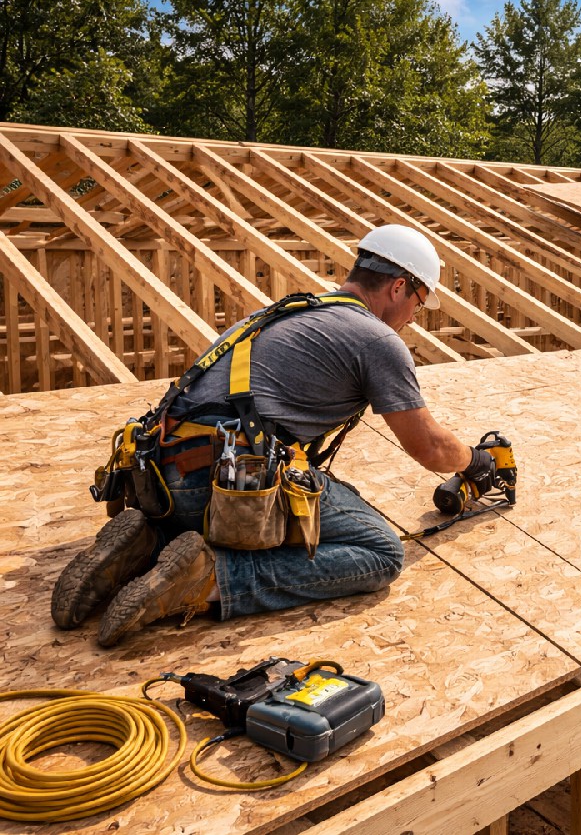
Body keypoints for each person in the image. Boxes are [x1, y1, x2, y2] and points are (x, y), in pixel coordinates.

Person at [51, 224, 498, 647]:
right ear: (398, 286)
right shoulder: (375, 340)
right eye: (419, 301)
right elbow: (430, 447)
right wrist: (477, 463)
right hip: (225, 489)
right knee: (380, 552)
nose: (416, 317)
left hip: (158, 478)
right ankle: (207, 580)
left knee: (329, 494)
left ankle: (149, 542)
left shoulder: (289, 312)